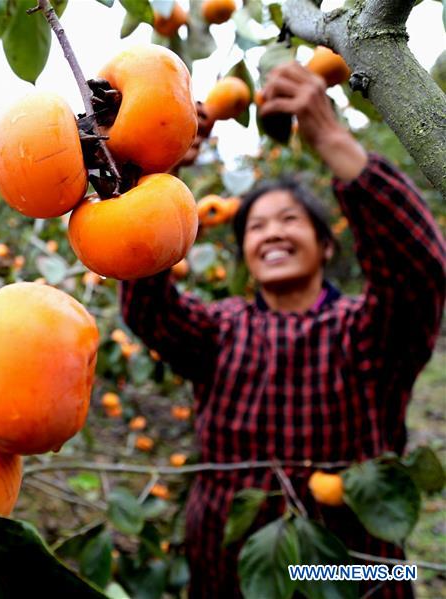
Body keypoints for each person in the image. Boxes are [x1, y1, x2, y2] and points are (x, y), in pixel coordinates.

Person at [120, 61, 446, 598]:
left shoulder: (365, 332)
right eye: (257, 225)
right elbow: (147, 308)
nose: (272, 231)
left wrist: (332, 138)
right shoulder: (221, 330)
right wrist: (162, 178)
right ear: (245, 252)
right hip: (229, 570)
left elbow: (420, 271)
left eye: (291, 219)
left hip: (356, 571)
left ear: (327, 245)